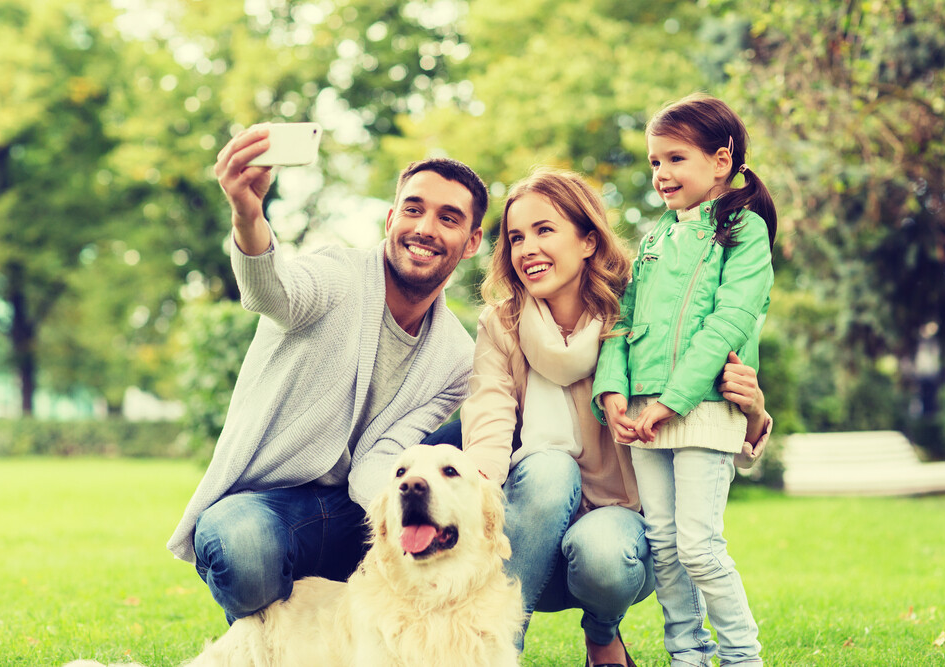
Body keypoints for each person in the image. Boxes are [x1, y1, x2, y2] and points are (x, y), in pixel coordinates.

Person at [432, 168, 771, 667]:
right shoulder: (501, 323)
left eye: (545, 230)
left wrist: (755, 413)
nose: (527, 249)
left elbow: (700, 414)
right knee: (549, 467)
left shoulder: (635, 312)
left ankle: (603, 633)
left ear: (588, 240)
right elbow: (488, 418)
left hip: (620, 535)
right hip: (528, 535)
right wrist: (476, 498)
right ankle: (496, 647)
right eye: (516, 237)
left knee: (603, 554)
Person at [166, 123, 487, 623]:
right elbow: (272, 290)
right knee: (243, 549)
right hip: (264, 506)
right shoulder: (336, 275)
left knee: (480, 427)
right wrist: (248, 215)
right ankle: (275, 629)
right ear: (390, 218)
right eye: (413, 209)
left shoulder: (454, 359)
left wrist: (413, 505)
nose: (425, 228)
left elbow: (384, 455)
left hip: (355, 515)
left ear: (471, 242)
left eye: (448, 218)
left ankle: (422, 612)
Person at [593, 93, 777, 666]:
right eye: (654, 162)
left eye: (675, 159)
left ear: (720, 161)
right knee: (666, 549)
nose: (661, 174)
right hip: (646, 414)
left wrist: (673, 401)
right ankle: (687, 655)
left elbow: (729, 321)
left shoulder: (744, 232)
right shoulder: (655, 240)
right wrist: (613, 393)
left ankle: (742, 656)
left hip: (703, 409)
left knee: (699, 545)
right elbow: (620, 324)